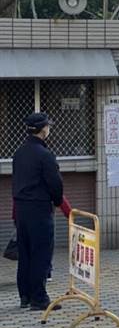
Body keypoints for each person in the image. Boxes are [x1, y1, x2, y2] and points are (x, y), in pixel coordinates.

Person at [13, 113, 64, 311]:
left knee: (24, 253)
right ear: (43, 130)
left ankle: (24, 296)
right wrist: (57, 201)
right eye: (48, 127)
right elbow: (55, 183)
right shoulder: (45, 155)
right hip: (40, 209)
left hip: (22, 209)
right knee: (41, 253)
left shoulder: (19, 153)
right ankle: (39, 298)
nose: (49, 129)